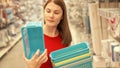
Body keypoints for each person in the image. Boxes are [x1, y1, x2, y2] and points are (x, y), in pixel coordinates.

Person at [23, 0, 72, 68]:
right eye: (48, 11)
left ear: (62, 16)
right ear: (44, 12)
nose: (51, 16)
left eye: (56, 13)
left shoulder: (65, 37)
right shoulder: (33, 37)